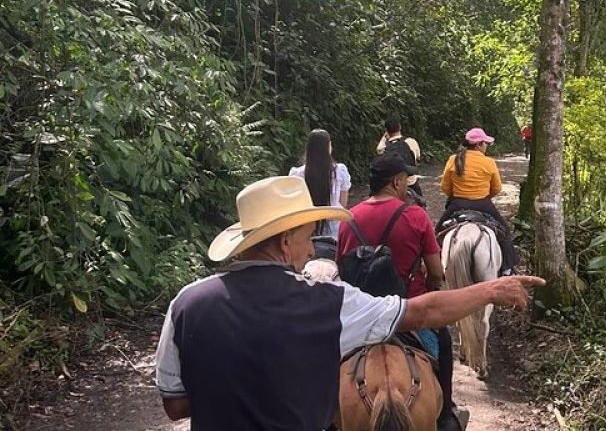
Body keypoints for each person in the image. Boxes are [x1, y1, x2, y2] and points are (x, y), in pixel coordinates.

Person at [155, 175, 544, 430]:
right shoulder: (327, 301)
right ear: (285, 240)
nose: (311, 249)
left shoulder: (186, 303)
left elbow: (175, 406)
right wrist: (491, 290)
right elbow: (423, 311)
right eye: (307, 237)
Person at [336, 154, 460, 430]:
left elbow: (341, 271)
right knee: (444, 340)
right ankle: (445, 416)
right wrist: (431, 290)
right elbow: (436, 271)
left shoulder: (348, 220)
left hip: (361, 316)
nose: (407, 184)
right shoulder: (415, 215)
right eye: (405, 179)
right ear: (396, 182)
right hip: (409, 313)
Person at [438, 127, 518, 275]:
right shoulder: (489, 162)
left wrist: (457, 194)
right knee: (505, 231)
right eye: (485, 143)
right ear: (478, 145)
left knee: (437, 232)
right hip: (483, 204)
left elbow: (445, 187)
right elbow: (497, 188)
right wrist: (484, 195)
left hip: (457, 204)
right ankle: (507, 269)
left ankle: (434, 268)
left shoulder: (453, 159)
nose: (486, 146)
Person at [289, 128, 351, 238]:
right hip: (335, 228)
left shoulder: (297, 174)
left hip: (308, 228)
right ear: (328, 147)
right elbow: (343, 203)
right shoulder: (339, 171)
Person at [376, 116, 425, 206]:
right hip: (410, 182)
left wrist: (384, 137)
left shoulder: (384, 147)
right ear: (400, 127)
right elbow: (417, 158)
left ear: (387, 131)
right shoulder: (411, 142)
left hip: (394, 186)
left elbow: (379, 149)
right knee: (421, 205)